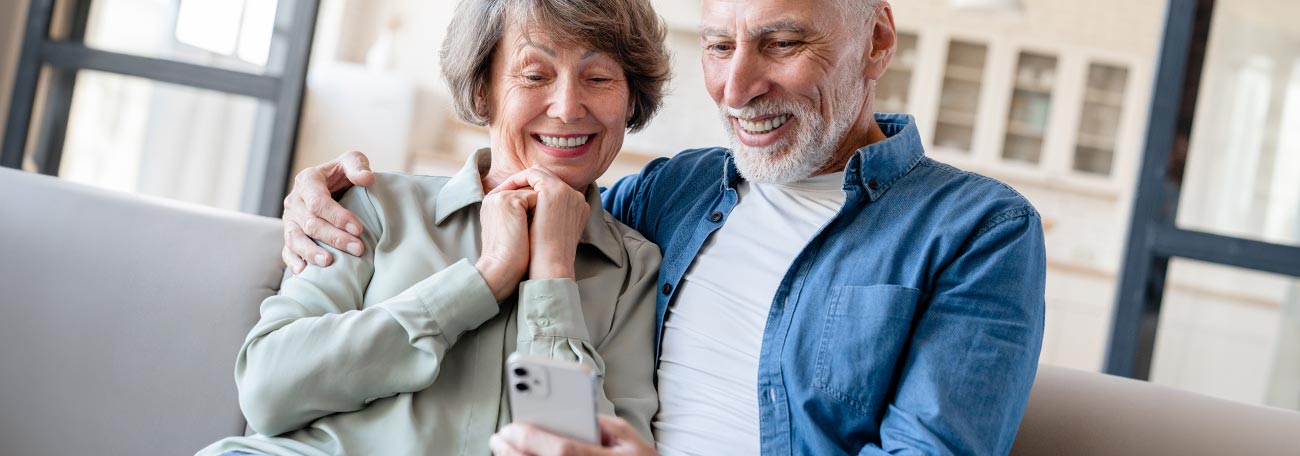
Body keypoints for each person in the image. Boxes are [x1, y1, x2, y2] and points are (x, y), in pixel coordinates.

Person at [284, 0, 1047, 454]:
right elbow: (535, 233)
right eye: (719, 46)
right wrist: (330, 196)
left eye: (781, 43)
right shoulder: (669, 194)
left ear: (877, 39)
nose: (738, 88)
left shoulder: (980, 230)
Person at [197, 0, 670, 454]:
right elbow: (267, 391)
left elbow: (588, 451)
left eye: (599, 77)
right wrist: (483, 280)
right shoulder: (372, 206)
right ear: (482, 91)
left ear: (631, 101)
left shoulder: (636, 270)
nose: (568, 107)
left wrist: (552, 276)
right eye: (534, 75)